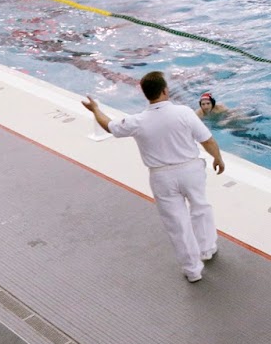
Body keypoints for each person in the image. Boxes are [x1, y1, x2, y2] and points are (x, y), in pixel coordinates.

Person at [83, 72, 226, 282]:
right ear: (165, 90)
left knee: (176, 223)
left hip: (161, 177)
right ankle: (207, 248)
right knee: (201, 207)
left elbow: (110, 126)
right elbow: (207, 139)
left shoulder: (138, 121)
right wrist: (218, 158)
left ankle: (192, 270)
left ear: (145, 94)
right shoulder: (184, 113)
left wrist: (95, 109)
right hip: (190, 170)